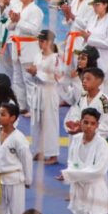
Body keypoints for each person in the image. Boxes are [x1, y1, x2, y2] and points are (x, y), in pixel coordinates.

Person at [26, 30, 61, 164]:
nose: (40, 43)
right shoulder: (38, 56)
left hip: (49, 92)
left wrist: (37, 72)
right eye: (39, 41)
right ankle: (39, 150)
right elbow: (34, 76)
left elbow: (53, 78)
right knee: (36, 122)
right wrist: (32, 73)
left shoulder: (56, 58)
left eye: (42, 41)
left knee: (50, 123)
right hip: (37, 91)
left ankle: (52, 154)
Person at [8, 0, 43, 115]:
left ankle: (33, 108)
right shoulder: (18, 7)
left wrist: (19, 21)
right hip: (16, 46)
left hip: (29, 47)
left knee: (29, 80)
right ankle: (21, 105)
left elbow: (34, 30)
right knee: (17, 78)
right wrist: (13, 20)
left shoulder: (36, 11)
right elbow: (9, 27)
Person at [82, 0, 108, 105]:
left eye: (98, 5)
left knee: (106, 90)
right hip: (92, 59)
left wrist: (89, 38)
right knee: (92, 88)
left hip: (105, 60)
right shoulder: (92, 20)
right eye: (94, 5)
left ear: (105, 5)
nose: (95, 7)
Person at [64, 67, 108, 140]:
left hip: (97, 142)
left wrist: (84, 129)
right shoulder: (81, 97)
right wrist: (75, 124)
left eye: (88, 79)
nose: (84, 81)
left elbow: (107, 126)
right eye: (83, 79)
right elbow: (74, 114)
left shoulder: (105, 101)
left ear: (99, 82)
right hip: (80, 139)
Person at [60, 0, 94, 69]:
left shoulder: (90, 4)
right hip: (71, 38)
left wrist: (72, 15)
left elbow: (87, 25)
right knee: (67, 68)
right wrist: (66, 14)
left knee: (78, 68)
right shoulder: (74, 1)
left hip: (81, 40)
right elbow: (69, 23)